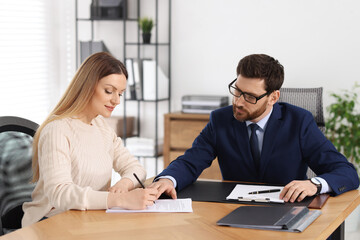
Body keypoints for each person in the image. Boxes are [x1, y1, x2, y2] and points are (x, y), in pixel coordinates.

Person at [150, 54, 359, 203]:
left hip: (286, 210)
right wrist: (168, 179)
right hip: (233, 212)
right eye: (237, 91)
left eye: (250, 96)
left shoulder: (299, 121)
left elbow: (346, 172)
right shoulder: (220, 120)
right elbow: (190, 161)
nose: (239, 102)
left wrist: (314, 184)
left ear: (273, 97)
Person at [22, 52, 158, 227]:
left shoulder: (102, 127)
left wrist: (124, 184)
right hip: (51, 222)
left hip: (88, 219)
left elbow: (135, 168)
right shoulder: (57, 130)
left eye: (121, 94)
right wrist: (119, 199)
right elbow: (60, 193)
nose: (116, 100)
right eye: (109, 91)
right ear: (87, 86)